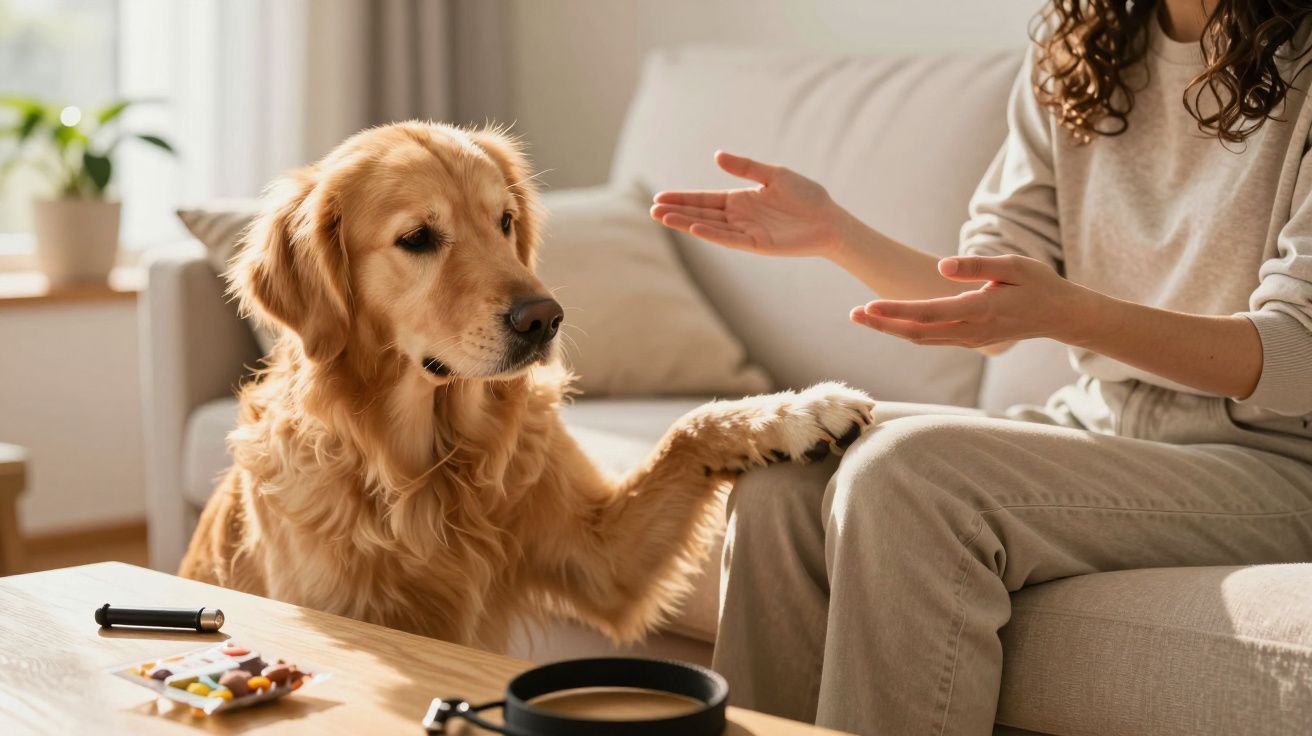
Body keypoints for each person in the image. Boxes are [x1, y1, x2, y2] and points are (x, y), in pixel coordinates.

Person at [650, 1, 1312, 734]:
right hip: (1110, 430)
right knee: (785, 463)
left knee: (909, 477)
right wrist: (836, 234)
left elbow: (1295, 355)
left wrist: (1072, 313)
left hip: (1274, 461)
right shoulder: (1083, 49)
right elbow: (990, 303)